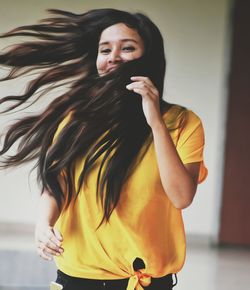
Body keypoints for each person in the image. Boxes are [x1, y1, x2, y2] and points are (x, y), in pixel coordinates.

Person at [0, 8, 208, 290]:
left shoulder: (183, 122)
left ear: (149, 57)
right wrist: (43, 224)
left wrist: (155, 122)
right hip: (77, 276)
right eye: (105, 49)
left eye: (128, 48)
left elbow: (182, 196)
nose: (113, 57)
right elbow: (57, 183)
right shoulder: (75, 118)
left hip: (144, 281)